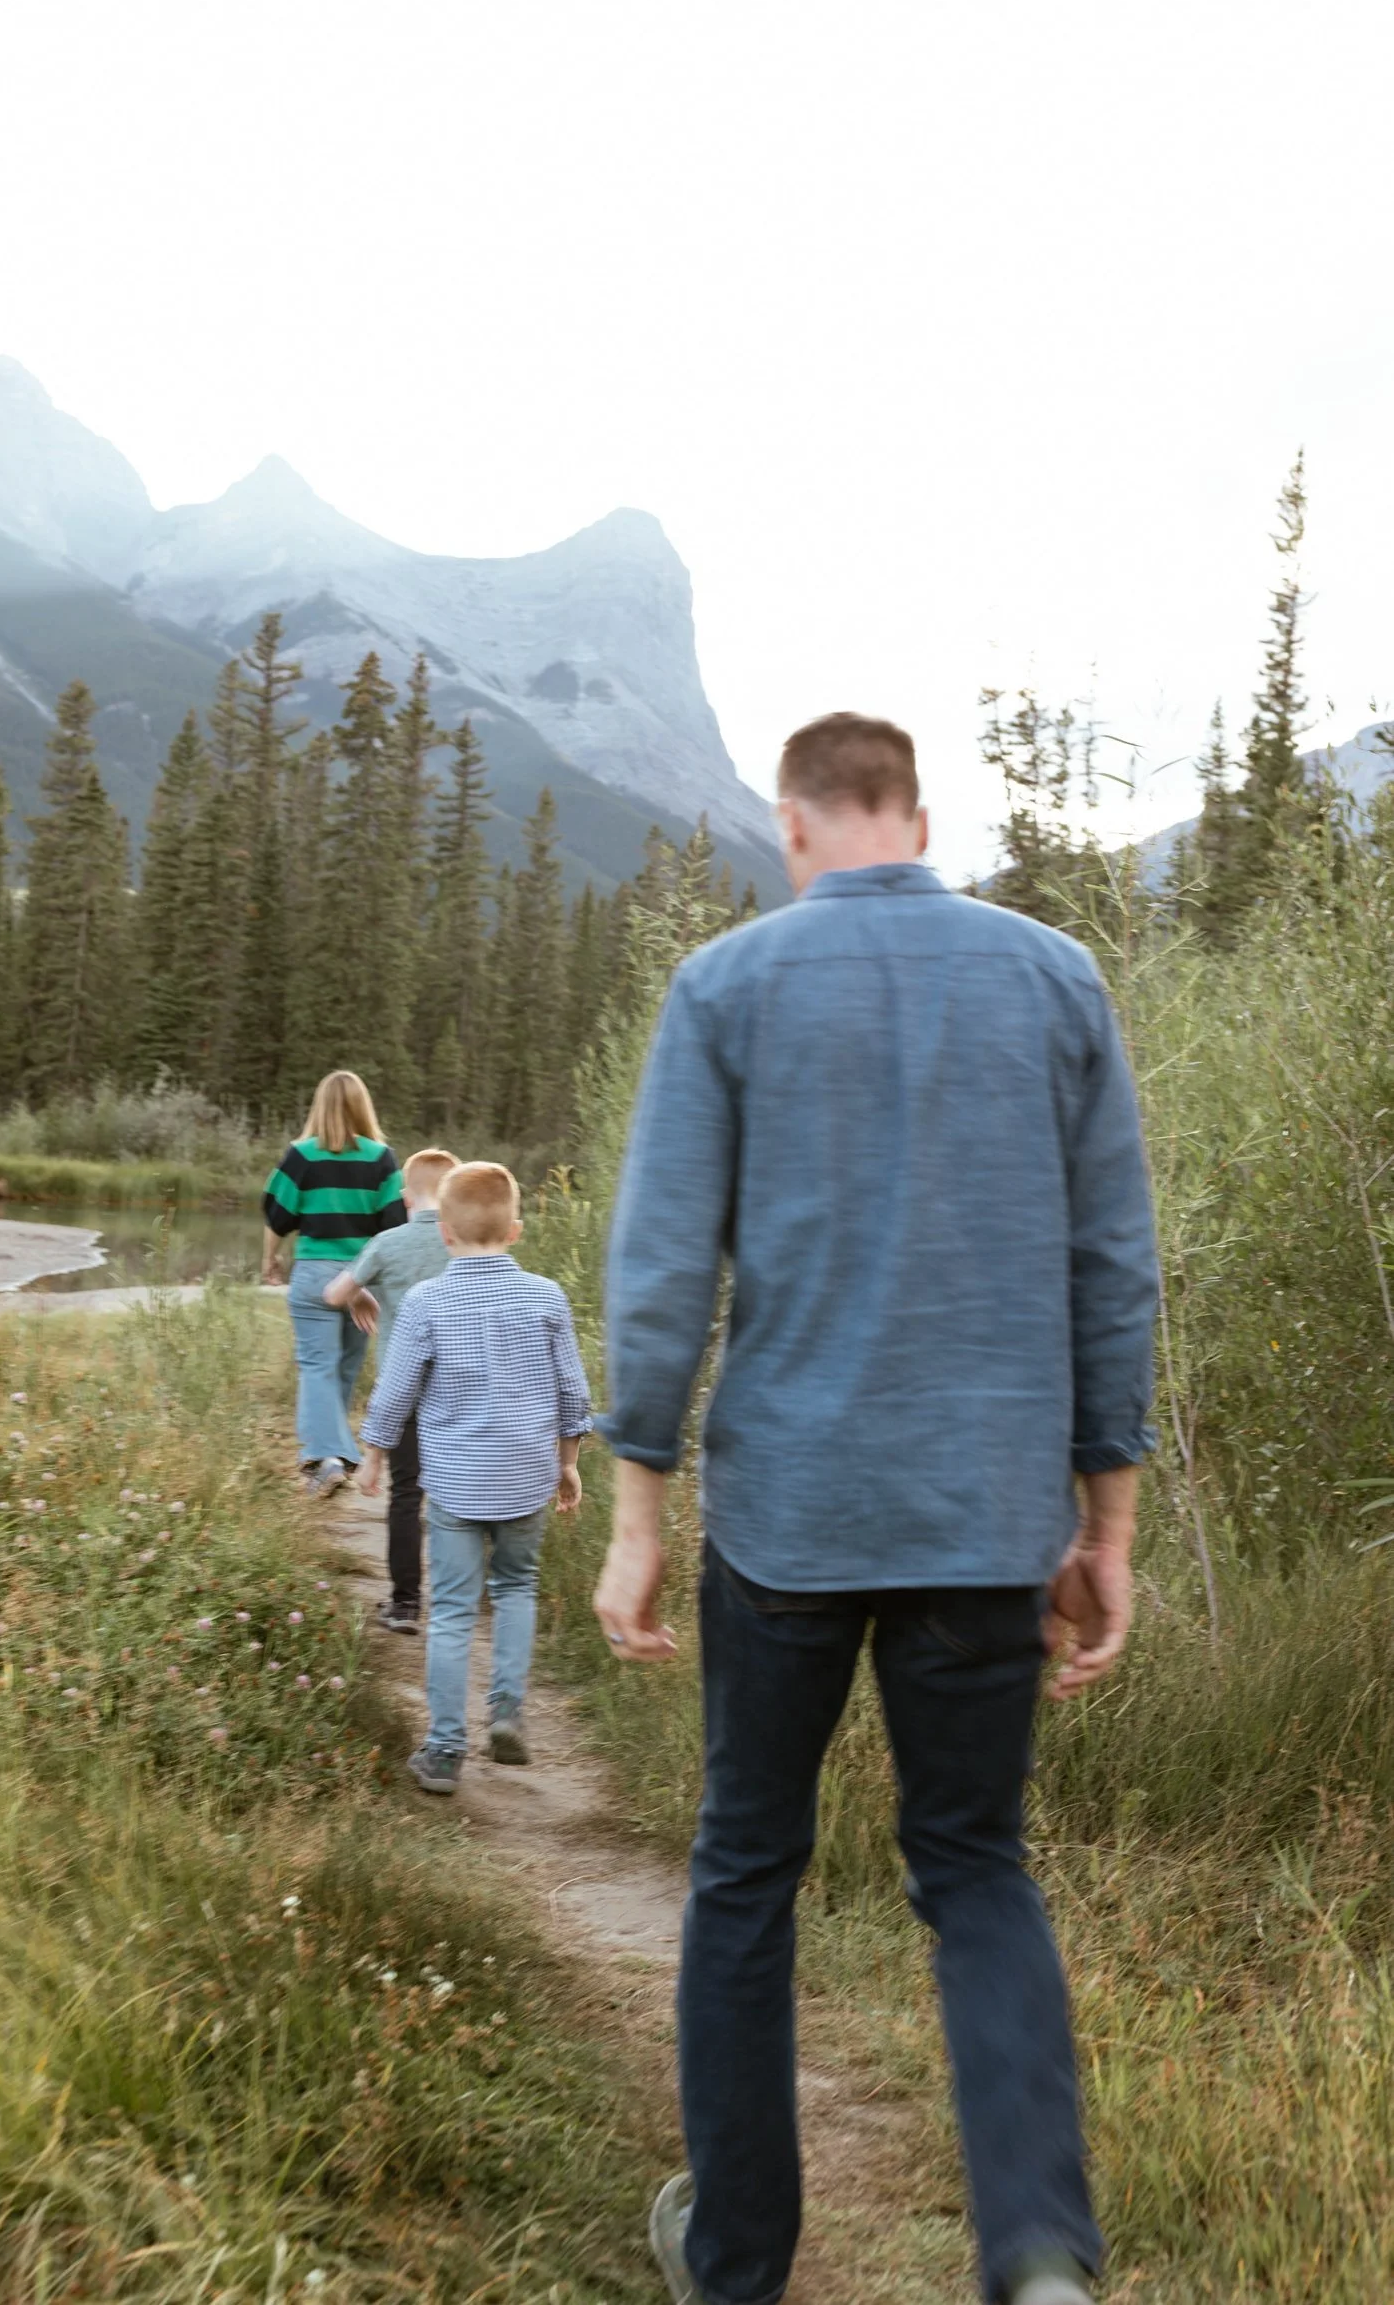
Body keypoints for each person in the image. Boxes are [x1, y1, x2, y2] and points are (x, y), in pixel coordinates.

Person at [592, 712, 1158, 2305]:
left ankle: (737, 2261)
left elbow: (658, 1271)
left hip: (784, 1516)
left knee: (743, 1870)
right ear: (915, 814)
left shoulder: (725, 986)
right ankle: (1037, 2252)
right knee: (974, 1869)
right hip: (985, 1520)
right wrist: (1102, 1519)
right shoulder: (1054, 980)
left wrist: (636, 1507)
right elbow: (1108, 1265)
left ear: (793, 827)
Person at [358, 1161, 592, 1792]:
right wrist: (568, 1462)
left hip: (457, 1481)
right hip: (525, 1474)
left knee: (455, 1609)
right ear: (515, 1229)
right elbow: (572, 1391)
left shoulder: (428, 1302)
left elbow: (397, 1389)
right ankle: (508, 1710)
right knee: (517, 1587)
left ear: (445, 1234)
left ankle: (443, 1749)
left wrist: (376, 1453)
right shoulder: (546, 1297)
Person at [323, 1143, 460, 1632]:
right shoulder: (464, 1244)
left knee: (406, 1494)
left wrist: (362, 1293)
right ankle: (459, 1599)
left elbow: (334, 1293)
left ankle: (404, 1604)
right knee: (454, 1497)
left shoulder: (387, 1243)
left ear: (406, 1196)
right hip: (461, 1392)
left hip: (404, 1390)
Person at [262, 1070, 406, 1498]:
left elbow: (277, 1215)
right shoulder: (382, 1159)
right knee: (343, 1367)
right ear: (364, 1106)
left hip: (314, 1275)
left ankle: (326, 1458)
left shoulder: (300, 1156)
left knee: (317, 1367)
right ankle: (334, 1457)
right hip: (363, 1276)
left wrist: (269, 1259)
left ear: (319, 1106)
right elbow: (394, 1227)